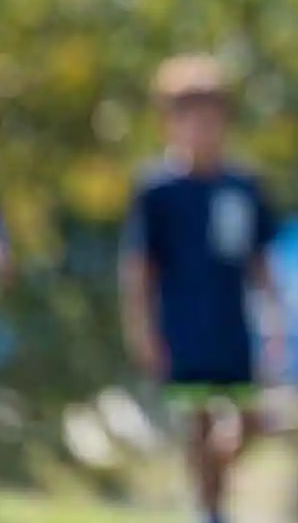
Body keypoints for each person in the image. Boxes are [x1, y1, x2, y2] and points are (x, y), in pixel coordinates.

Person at [119, 54, 285, 523]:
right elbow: (139, 268)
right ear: (169, 123)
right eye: (187, 117)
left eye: (209, 117)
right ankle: (210, 511)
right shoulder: (157, 190)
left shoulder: (243, 185)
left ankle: (211, 494)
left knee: (250, 422)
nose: (200, 128)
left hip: (232, 327)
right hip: (181, 328)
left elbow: (261, 261)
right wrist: (143, 330)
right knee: (197, 424)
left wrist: (276, 321)